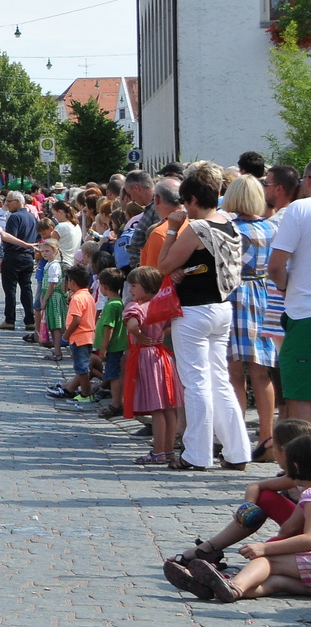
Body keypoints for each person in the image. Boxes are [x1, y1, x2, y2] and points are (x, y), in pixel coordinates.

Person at [157, 160, 249, 471]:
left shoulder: (197, 228)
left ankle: (196, 454)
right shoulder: (229, 224)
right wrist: (188, 269)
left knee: (195, 383)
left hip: (194, 311)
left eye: (186, 202)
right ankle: (237, 451)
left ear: (194, 199)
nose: (184, 208)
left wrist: (172, 229)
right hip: (221, 307)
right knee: (219, 380)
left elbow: (164, 264)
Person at [163, 417, 311, 588]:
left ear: (286, 452)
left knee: (266, 556)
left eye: (273, 445)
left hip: (304, 537)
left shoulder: (302, 481)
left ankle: (228, 576)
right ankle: (209, 552)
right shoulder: (298, 476)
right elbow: (255, 486)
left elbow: (290, 529)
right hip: (302, 532)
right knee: (263, 498)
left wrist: (270, 546)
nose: (270, 447)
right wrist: (247, 509)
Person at [224, 174, 279, 458]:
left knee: (235, 372)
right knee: (261, 371)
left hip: (237, 294)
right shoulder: (272, 227)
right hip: (265, 294)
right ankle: (267, 436)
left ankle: (238, 437)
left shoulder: (232, 230)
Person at [124, 266, 180, 465]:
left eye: (134, 285)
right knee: (169, 408)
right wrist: (161, 334)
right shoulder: (162, 305)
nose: (131, 289)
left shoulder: (136, 307)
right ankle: (169, 451)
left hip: (146, 356)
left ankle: (157, 452)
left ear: (146, 286)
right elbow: (173, 324)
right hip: (163, 356)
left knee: (156, 409)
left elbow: (132, 325)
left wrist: (140, 336)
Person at [268, 177, 311, 423]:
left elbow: (275, 267)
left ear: (308, 182)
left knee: (301, 396)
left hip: (305, 313)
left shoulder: (300, 208)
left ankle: (303, 449)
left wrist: (284, 288)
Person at [48, 266, 98, 403]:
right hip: (88, 335)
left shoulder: (77, 298)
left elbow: (76, 320)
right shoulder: (88, 296)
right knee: (83, 366)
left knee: (81, 368)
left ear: (73, 282)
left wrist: (66, 335)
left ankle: (86, 394)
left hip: (79, 337)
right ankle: (79, 391)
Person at [0, 191, 40, 338]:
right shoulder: (32, 217)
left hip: (14, 255)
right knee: (26, 288)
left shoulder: (14, 217)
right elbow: (37, 236)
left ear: (17, 202)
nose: (6, 204)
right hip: (28, 257)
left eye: (9, 201)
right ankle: (30, 320)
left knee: (10, 289)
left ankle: (10, 319)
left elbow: (10, 237)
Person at [94, 267, 129, 416]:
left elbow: (109, 327)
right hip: (117, 346)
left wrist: (104, 348)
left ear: (105, 286)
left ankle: (116, 404)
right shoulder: (118, 302)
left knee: (113, 376)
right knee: (113, 374)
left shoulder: (112, 305)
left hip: (113, 347)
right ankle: (117, 402)